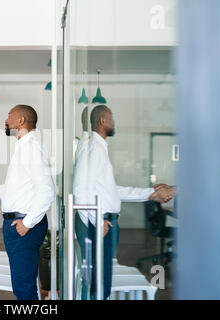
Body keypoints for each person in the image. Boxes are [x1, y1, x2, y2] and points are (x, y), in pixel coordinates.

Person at [72, 104, 175, 300]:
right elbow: (80, 189)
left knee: (101, 278)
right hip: (99, 222)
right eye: (112, 118)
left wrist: (150, 193)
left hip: (103, 221)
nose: (114, 122)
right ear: (102, 121)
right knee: (98, 282)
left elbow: (112, 191)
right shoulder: (93, 147)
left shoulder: (98, 147)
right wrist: (96, 219)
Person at [0, 105, 56, 300]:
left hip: (23, 226)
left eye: (9, 116)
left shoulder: (31, 148)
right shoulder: (24, 147)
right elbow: (10, 190)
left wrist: (27, 224)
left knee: (24, 288)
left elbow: (47, 191)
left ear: (20, 121)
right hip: (19, 224)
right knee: (23, 285)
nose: (6, 120)